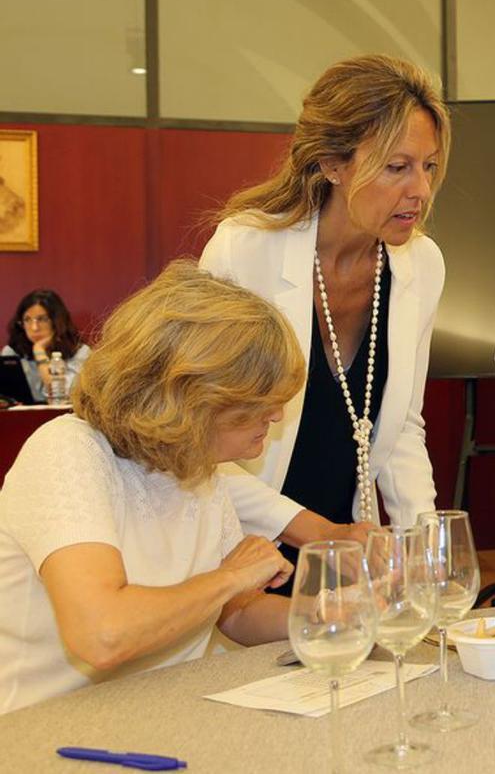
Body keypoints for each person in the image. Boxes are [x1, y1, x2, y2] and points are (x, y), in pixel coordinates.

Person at [0, 262, 300, 713]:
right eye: (259, 401)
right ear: (192, 395)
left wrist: (337, 615)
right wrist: (230, 576)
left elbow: (235, 612)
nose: (275, 416)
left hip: (164, 718)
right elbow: (102, 634)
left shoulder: (197, 465)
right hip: (50, 735)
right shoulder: (67, 453)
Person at [200, 54, 449, 554]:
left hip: (346, 551)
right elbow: (200, 438)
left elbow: (402, 429)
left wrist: (424, 547)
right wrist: (313, 529)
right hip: (244, 541)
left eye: (429, 167)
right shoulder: (244, 250)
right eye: (397, 167)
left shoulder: (421, 264)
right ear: (332, 164)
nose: (420, 190)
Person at [3, 289, 90, 403]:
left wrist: (39, 353)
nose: (34, 327)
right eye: (27, 320)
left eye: (42, 319)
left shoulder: (80, 352)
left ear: (57, 321)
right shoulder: (12, 353)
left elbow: (64, 395)